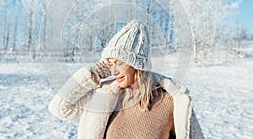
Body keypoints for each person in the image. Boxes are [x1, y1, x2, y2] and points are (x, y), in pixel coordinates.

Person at [48, 20, 204, 139]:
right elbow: (59, 107)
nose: (114, 71)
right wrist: (93, 74)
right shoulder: (105, 97)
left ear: (137, 65)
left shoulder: (171, 100)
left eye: (120, 63)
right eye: (110, 64)